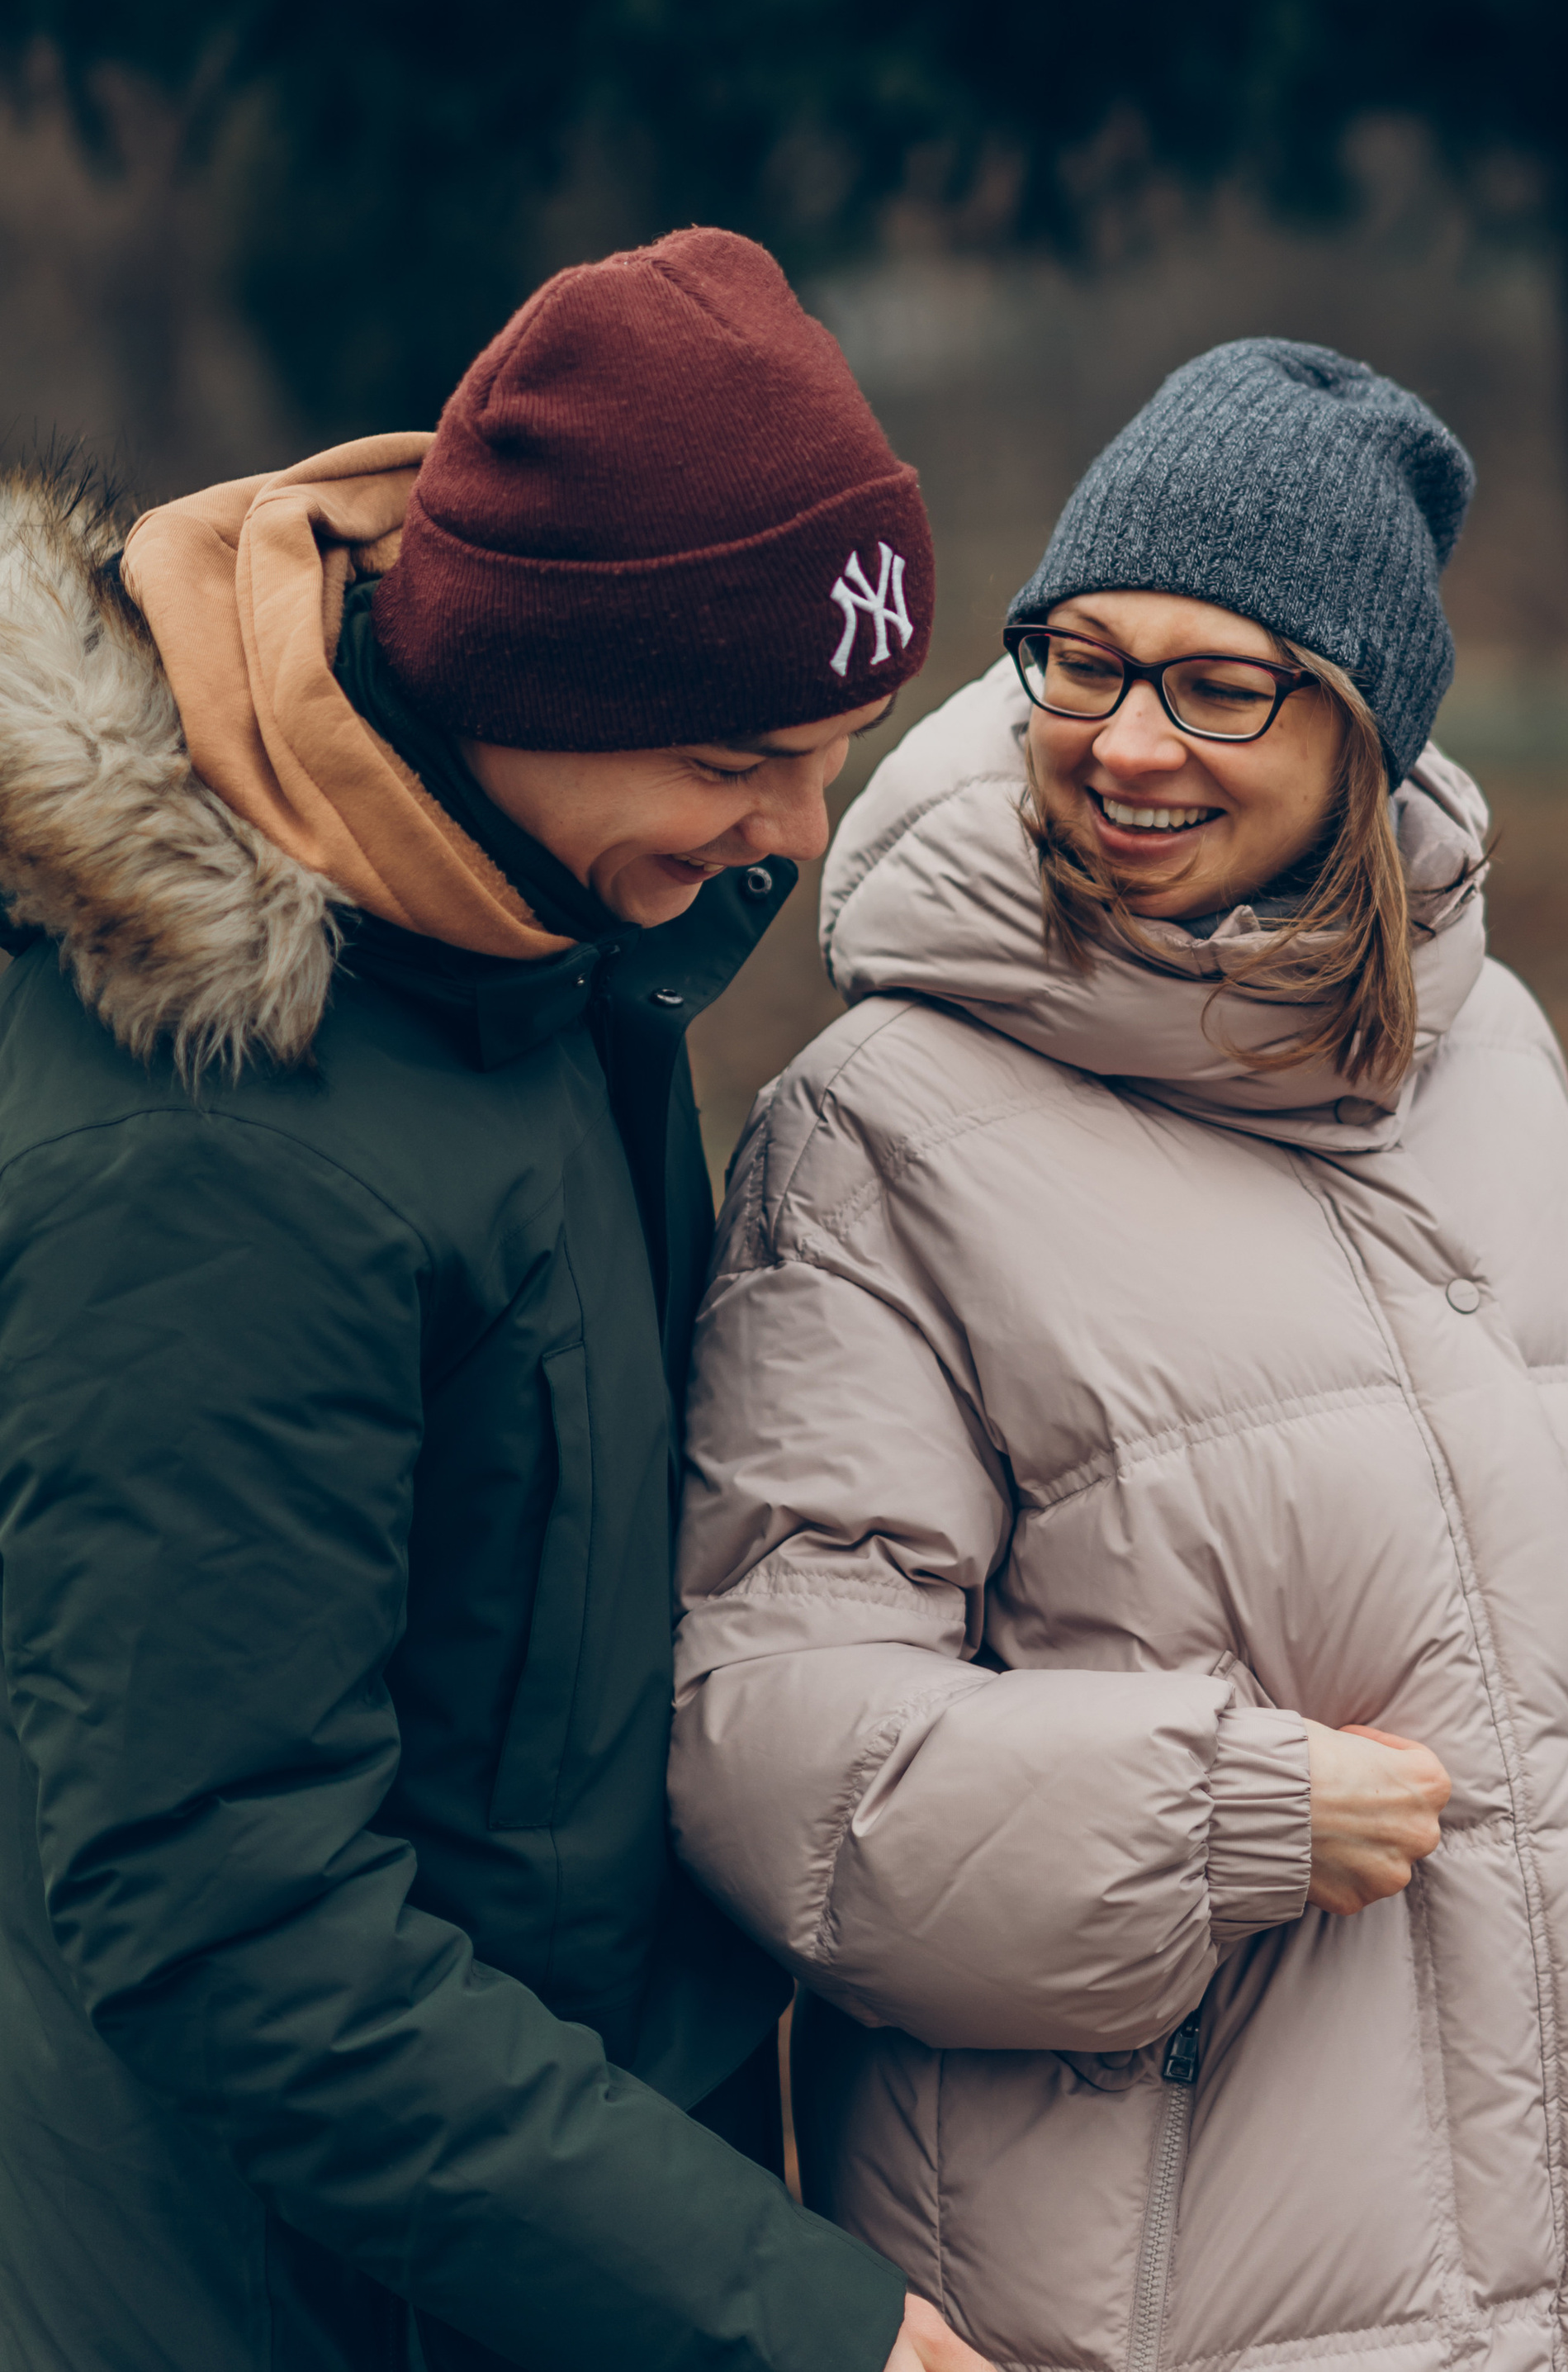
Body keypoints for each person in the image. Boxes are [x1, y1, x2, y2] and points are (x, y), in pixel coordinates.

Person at [669, 337, 1568, 2372]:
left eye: (1219, 687)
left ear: (1366, 738)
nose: (1126, 744)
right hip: (1169, 2297)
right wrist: (1217, 1816)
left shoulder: (1493, 1058)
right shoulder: (878, 1132)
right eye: (1083, 663)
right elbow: (769, 1750)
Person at [0, 228, 992, 2372]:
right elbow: (229, 1915)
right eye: (747, 754)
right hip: (283, 2306)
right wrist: (808, 2322)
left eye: (841, 754)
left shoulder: (511, 944)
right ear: (547, 682)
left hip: (529, 2252)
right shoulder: (211, 1149)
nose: (795, 837)